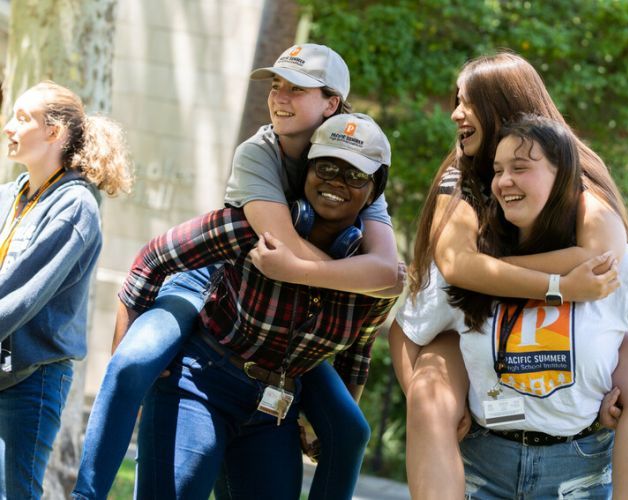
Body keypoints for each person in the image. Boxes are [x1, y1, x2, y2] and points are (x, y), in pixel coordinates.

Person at [73, 44, 399, 500]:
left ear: (332, 103)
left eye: (297, 89)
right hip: (206, 281)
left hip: (282, 355)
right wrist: (359, 281)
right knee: (132, 363)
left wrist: (365, 284)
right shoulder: (257, 155)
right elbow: (279, 248)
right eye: (277, 85)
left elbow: (385, 275)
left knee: (350, 428)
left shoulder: (359, 152)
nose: (280, 97)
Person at [389, 51, 628, 500]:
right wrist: (558, 287)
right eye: (499, 172)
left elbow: (605, 253)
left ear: (501, 105)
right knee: (432, 373)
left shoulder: (577, 180)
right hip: (487, 446)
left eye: (467, 100)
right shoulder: (462, 180)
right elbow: (455, 267)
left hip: (576, 455)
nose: (455, 113)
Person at [442, 114, 628, 498]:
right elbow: (412, 332)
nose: (504, 181)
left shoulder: (616, 267)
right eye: (497, 170)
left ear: (562, 176)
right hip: (482, 468)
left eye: (520, 167)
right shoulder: (475, 269)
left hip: (577, 475)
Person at [0, 81, 132, 499]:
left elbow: (21, 293)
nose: (8, 127)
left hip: (31, 379)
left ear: (54, 132)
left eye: (22, 119)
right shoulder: (9, 195)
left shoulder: (75, 206)